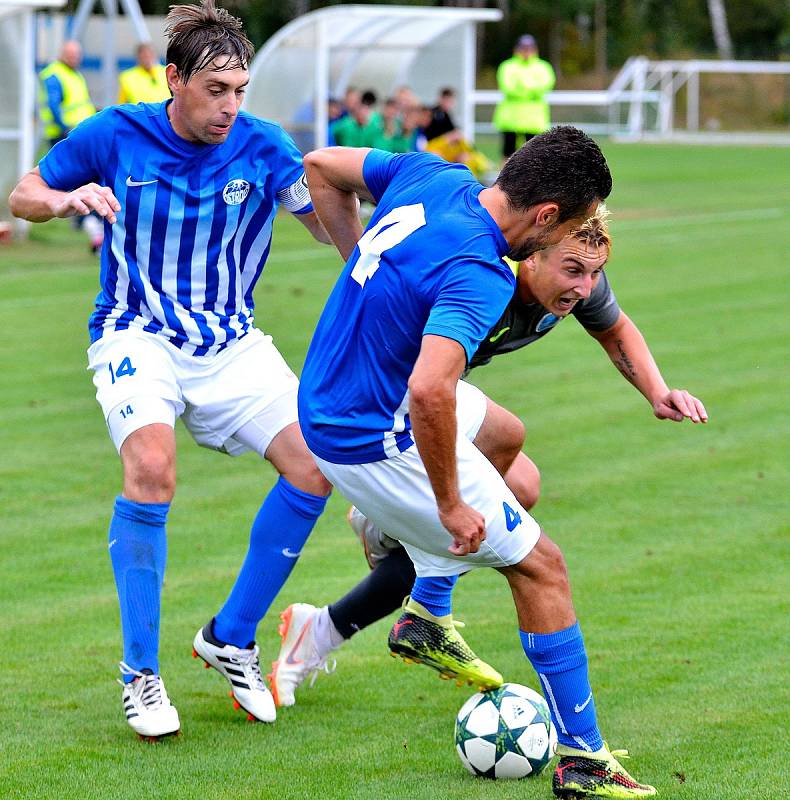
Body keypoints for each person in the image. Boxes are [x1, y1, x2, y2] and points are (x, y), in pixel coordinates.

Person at [292, 131, 658, 797]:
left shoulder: (433, 177)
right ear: (546, 216)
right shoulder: (482, 270)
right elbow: (429, 390)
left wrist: (358, 262)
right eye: (571, 228)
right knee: (541, 567)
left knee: (517, 465)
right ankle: (583, 761)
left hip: (329, 397)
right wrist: (450, 502)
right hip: (371, 431)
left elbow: (319, 166)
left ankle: (418, 592)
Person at [9, 0, 333, 740]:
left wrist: (372, 238)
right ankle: (140, 675)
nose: (230, 106)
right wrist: (65, 200)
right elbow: (23, 193)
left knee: (315, 466)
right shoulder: (116, 132)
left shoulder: (266, 147)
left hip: (232, 344)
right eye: (216, 89)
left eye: (240, 90)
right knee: (151, 469)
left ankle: (231, 635)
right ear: (175, 79)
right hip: (137, 334)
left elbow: (322, 223)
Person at [270, 207, 707, 708]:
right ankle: (392, 567)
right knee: (493, 516)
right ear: (530, 257)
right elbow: (423, 379)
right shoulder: (483, 276)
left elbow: (616, 330)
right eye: (572, 271)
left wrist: (657, 392)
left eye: (594, 273)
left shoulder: (576, 281)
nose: (585, 288)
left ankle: (335, 624)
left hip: (431, 394)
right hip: (387, 402)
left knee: (518, 484)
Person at [38, 40, 103, 253]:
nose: (76, 58)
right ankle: (90, 226)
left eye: (78, 54)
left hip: (81, 135)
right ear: (63, 54)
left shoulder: (75, 74)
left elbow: (81, 103)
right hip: (65, 136)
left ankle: (90, 225)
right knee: (78, 183)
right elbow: (54, 105)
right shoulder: (54, 74)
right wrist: (65, 128)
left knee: (90, 179)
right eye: (72, 54)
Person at [494, 35, 556, 162]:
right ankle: (505, 180)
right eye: (523, 48)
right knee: (508, 154)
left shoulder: (543, 67)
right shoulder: (507, 66)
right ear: (517, 49)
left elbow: (545, 86)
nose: (526, 51)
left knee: (534, 154)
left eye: (529, 48)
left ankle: (532, 181)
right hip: (511, 119)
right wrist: (531, 89)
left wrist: (521, 87)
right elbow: (507, 87)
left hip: (534, 120)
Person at [423, 87, 492, 180]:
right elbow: (434, 138)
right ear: (441, 99)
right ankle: (476, 168)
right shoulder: (433, 114)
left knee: (465, 153)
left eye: (451, 101)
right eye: (447, 101)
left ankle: (476, 169)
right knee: (464, 155)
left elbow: (453, 132)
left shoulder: (446, 115)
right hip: (435, 148)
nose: (449, 104)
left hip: (445, 147)